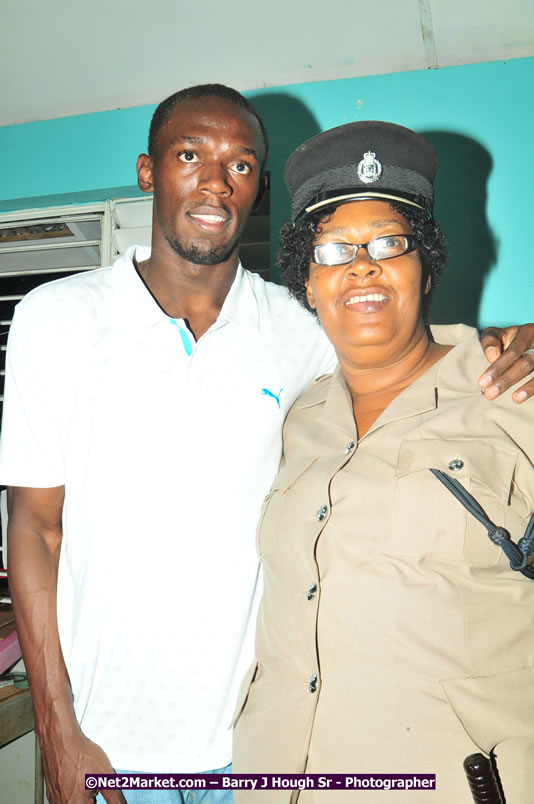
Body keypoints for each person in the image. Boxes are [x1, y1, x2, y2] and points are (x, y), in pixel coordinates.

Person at [0, 88, 532, 804]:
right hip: (113, 753)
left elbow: (411, 356)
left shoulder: (300, 329)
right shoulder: (55, 319)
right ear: (148, 170)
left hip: (257, 755)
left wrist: (515, 338)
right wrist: (58, 732)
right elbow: (35, 526)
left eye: (241, 164)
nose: (215, 182)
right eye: (190, 155)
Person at [232, 121, 534, 802]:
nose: (361, 264)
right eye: (334, 249)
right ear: (307, 284)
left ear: (425, 266)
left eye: (389, 243)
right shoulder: (294, 421)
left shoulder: (514, 393)